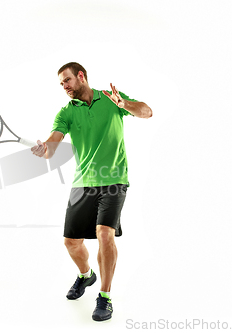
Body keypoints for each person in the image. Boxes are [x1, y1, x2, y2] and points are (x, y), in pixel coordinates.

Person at [31, 62, 152, 321]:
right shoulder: (66, 112)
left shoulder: (110, 99)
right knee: (71, 243)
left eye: (67, 80)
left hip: (114, 179)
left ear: (81, 76)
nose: (64, 86)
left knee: (104, 234)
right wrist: (45, 149)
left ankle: (104, 297)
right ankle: (86, 276)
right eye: (61, 83)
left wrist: (124, 105)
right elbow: (53, 143)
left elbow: (147, 111)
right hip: (82, 182)